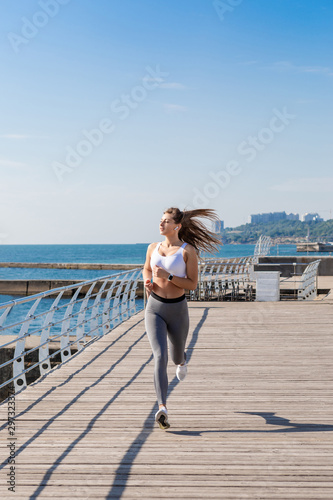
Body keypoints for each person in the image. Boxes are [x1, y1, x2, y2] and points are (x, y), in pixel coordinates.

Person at [143, 207, 221, 429]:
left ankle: (182, 360)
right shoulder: (152, 248)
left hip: (177, 310)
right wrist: (147, 281)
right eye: (160, 220)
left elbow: (192, 285)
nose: (161, 224)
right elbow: (146, 269)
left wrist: (168, 276)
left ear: (177, 226)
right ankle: (162, 408)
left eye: (166, 221)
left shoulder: (188, 251)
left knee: (176, 355)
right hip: (154, 308)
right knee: (160, 356)